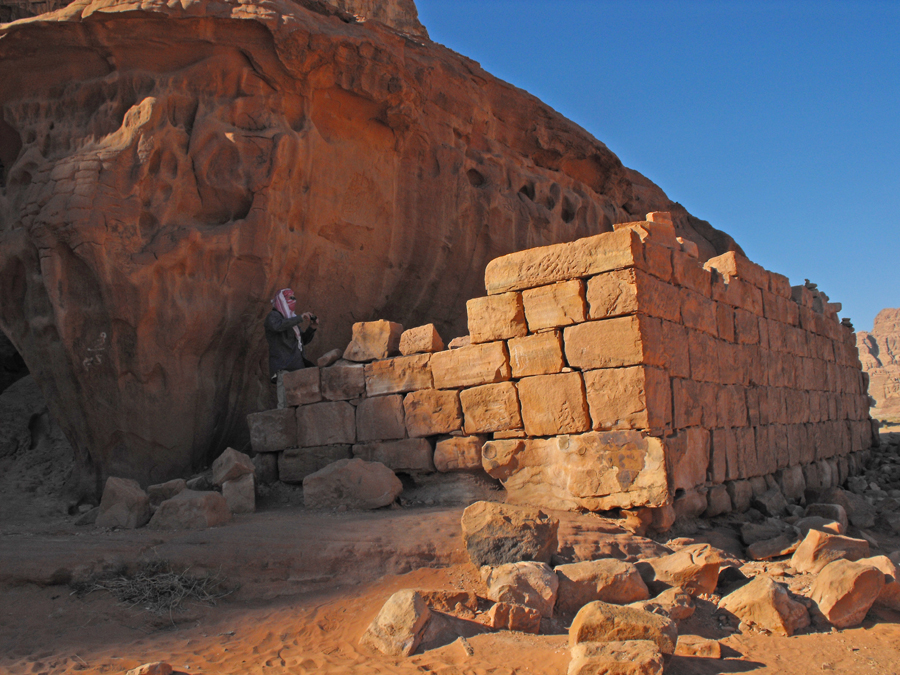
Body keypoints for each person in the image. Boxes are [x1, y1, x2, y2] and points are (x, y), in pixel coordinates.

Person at [265, 288, 318, 408]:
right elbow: (278, 326)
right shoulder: (273, 316)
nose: (294, 300)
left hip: (298, 367)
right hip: (284, 367)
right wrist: (299, 318)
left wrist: (312, 328)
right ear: (281, 300)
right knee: (284, 406)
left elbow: (302, 341)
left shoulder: (291, 320)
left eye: (295, 298)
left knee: (300, 404)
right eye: (291, 298)